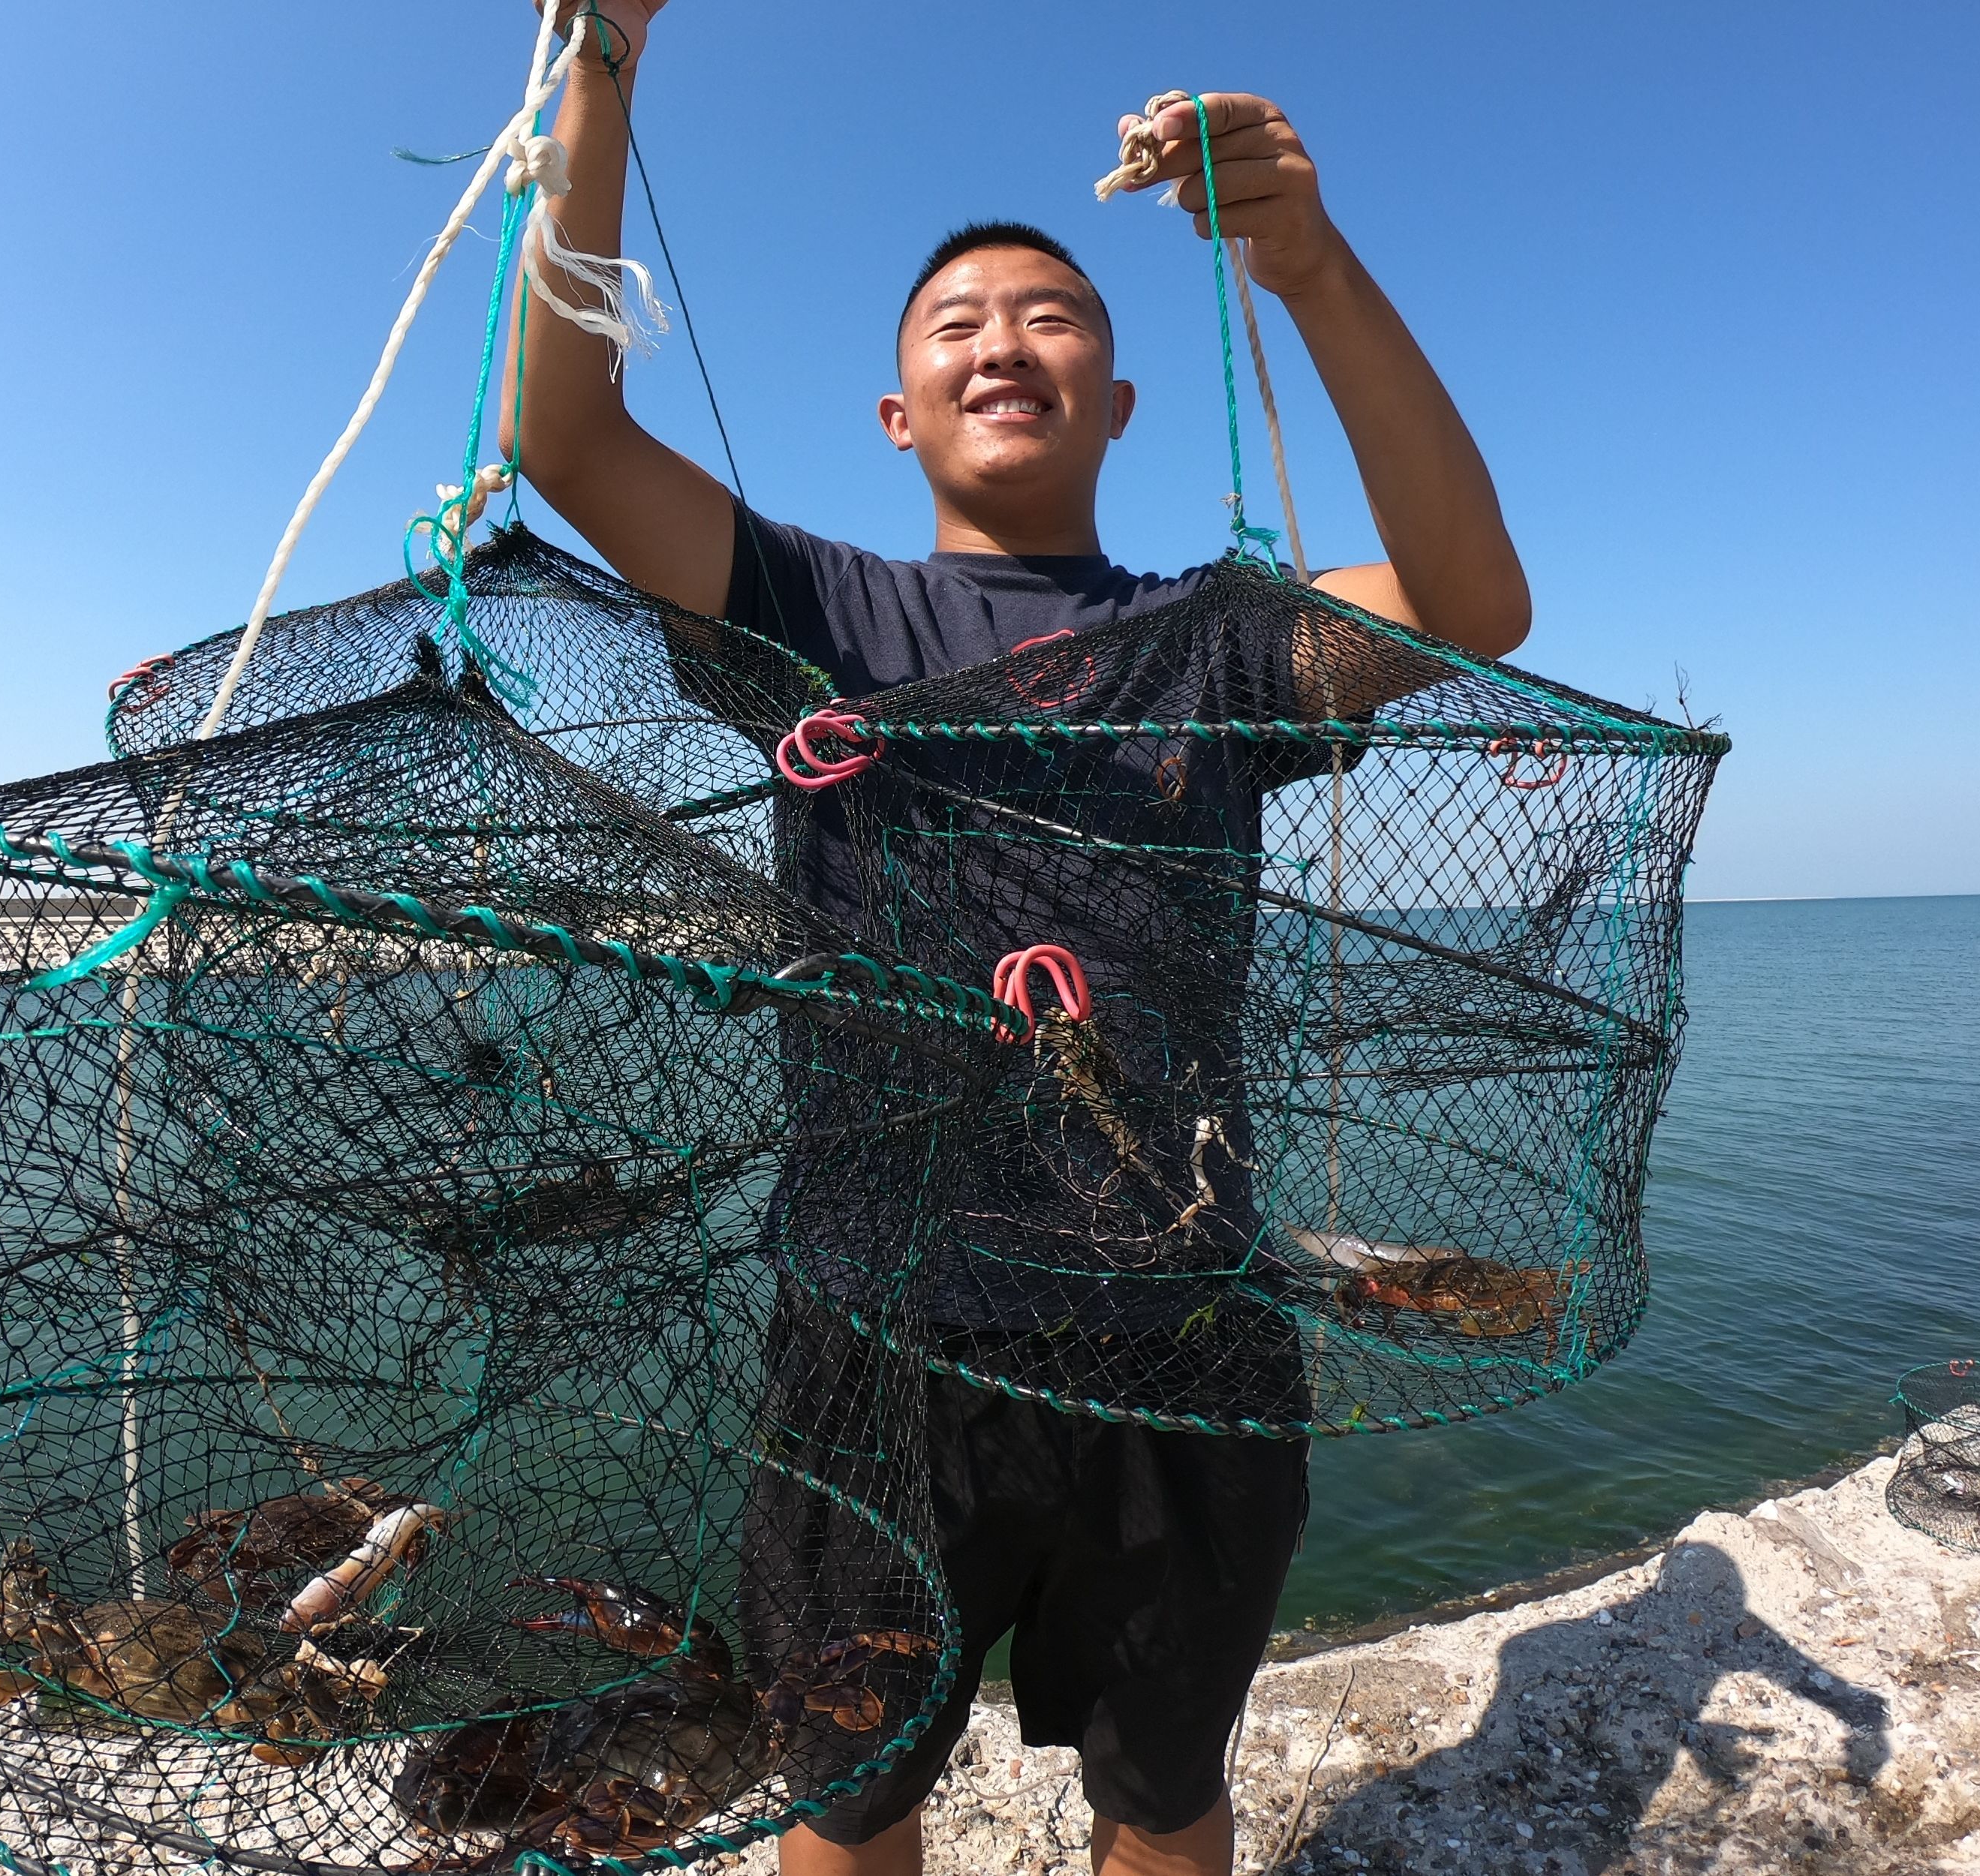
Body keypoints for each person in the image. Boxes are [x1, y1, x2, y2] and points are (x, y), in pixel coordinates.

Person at [505, 8, 1532, 1876]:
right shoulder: (809, 608)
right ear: (898, 411)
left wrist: (1298, 259)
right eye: (955, 322)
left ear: (1119, 400)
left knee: (1160, 1787)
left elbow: (1470, 602)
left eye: (1054, 314)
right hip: (874, 1334)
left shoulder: (1218, 642)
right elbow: (559, 437)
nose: (1002, 336)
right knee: (850, 1787)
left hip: (1185, 1333)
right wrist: (603, 67)